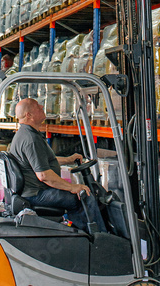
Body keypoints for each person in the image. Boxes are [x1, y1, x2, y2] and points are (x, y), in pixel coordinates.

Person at [9, 98, 105, 233]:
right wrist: (72, 187)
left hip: (33, 191)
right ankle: (97, 236)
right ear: (29, 115)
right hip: (36, 194)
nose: (42, 106)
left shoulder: (27, 134)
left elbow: (41, 162)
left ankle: (82, 233)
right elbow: (44, 175)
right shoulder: (31, 139)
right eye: (37, 106)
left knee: (81, 192)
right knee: (84, 196)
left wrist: (68, 160)